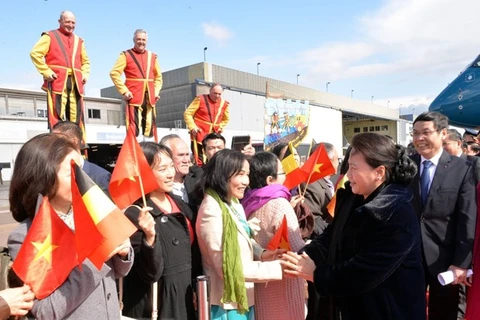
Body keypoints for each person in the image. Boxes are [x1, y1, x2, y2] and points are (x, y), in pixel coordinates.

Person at [282, 132, 426, 320]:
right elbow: (331, 236)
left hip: (389, 309)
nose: (347, 175)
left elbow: (364, 272)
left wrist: (317, 275)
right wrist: (303, 256)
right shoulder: (354, 198)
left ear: (379, 172)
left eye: (353, 168)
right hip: (355, 307)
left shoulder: (396, 212)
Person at [8, 133, 133, 319]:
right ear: (45, 178)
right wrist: (95, 258)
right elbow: (45, 310)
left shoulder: (92, 212)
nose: (82, 179)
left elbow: (118, 271)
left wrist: (124, 254)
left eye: (81, 170)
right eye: (72, 172)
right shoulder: (28, 236)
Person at [196, 149, 284, 319]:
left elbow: (243, 236)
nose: (246, 181)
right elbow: (228, 268)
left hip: (243, 296)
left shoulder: (232, 202)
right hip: (226, 304)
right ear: (223, 175)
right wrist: (279, 268)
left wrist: (263, 254)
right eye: (240, 174)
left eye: (247, 174)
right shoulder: (211, 210)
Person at [409, 112, 476, 319]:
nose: (419, 139)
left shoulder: (463, 169)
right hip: (408, 259)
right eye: (415, 133)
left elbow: (467, 218)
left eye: (426, 133)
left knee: (444, 314)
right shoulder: (405, 167)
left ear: (443, 133)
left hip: (445, 262)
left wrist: (461, 263)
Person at [122, 142, 201, 320]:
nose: (170, 174)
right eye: (162, 169)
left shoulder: (182, 206)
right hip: (156, 306)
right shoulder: (135, 213)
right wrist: (150, 237)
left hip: (185, 298)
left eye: (171, 166)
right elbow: (150, 273)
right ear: (143, 174)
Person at [241, 152, 305, 320]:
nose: (286, 175)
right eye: (283, 171)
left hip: (261, 281)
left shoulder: (247, 201)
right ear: (270, 180)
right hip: (283, 280)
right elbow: (296, 246)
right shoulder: (279, 203)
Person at [30, 11, 90, 141]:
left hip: (75, 84)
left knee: (77, 115)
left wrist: (85, 74)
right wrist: (46, 71)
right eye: (67, 21)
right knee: (56, 114)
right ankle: (56, 143)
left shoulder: (79, 41)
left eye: (73, 22)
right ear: (60, 21)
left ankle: (78, 142)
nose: (70, 25)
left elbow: (85, 61)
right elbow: (35, 53)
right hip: (57, 81)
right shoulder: (49, 36)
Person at [110, 29, 163, 140]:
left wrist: (155, 92)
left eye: (143, 39)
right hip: (134, 97)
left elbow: (158, 77)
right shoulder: (126, 55)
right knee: (134, 128)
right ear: (134, 40)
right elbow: (114, 73)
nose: (141, 42)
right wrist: (124, 91)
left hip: (149, 99)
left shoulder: (153, 57)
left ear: (146, 41)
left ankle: (149, 154)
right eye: (138, 39)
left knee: (149, 128)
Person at [52, 121, 112, 196]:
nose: (52, 144)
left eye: (57, 141)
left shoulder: (100, 176)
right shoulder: (51, 172)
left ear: (74, 141)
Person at [184, 83, 230, 166]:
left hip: (214, 136)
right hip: (199, 134)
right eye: (215, 93)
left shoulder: (224, 104)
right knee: (199, 160)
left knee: (215, 159)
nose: (217, 96)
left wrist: (220, 126)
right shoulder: (200, 99)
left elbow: (226, 119)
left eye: (219, 94)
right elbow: (188, 113)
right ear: (210, 91)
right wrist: (192, 127)